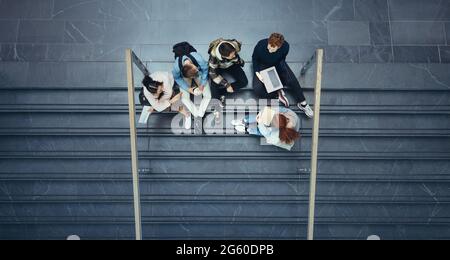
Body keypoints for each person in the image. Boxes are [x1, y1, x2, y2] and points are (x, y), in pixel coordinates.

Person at [252, 33, 314, 118]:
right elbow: (254, 58)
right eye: (269, 45)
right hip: (263, 65)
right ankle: (277, 94)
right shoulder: (261, 44)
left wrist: (278, 71)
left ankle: (303, 103)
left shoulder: (285, 47)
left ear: (279, 47)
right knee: (257, 89)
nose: (269, 48)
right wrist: (257, 73)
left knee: (291, 79)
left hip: (277, 63)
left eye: (272, 47)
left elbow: (282, 59)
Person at [172, 42, 212, 129]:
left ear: (193, 65)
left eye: (195, 68)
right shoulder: (176, 67)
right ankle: (196, 114)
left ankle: (200, 115)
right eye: (192, 77)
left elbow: (205, 70)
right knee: (184, 98)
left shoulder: (198, 59)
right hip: (185, 77)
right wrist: (188, 89)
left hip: (200, 74)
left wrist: (202, 83)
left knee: (207, 95)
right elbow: (177, 78)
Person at [231, 106, 301, 151]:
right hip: (280, 125)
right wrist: (260, 114)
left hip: (272, 134)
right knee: (261, 116)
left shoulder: (274, 135)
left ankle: (246, 129)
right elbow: (274, 110)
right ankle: (244, 121)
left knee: (259, 131)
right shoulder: (289, 115)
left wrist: (260, 122)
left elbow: (265, 132)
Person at [208, 38, 249, 107]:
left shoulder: (235, 44)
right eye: (232, 55)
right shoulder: (213, 57)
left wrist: (238, 61)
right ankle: (218, 96)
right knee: (214, 92)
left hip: (232, 64)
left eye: (234, 53)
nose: (234, 55)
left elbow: (236, 52)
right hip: (218, 67)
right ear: (223, 56)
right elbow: (213, 74)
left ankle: (221, 92)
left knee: (244, 82)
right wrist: (227, 84)